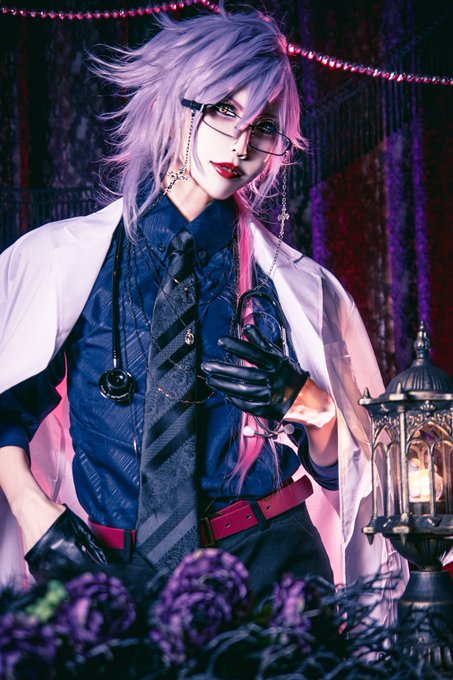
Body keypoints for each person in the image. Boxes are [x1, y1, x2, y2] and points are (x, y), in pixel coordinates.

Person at [0, 7, 406, 619]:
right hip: (115, 583)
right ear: (175, 105)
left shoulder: (299, 287)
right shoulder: (62, 260)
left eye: (264, 127)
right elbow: (6, 405)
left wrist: (318, 409)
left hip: (272, 575)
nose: (241, 145)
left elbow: (346, 476)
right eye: (223, 110)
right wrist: (33, 511)